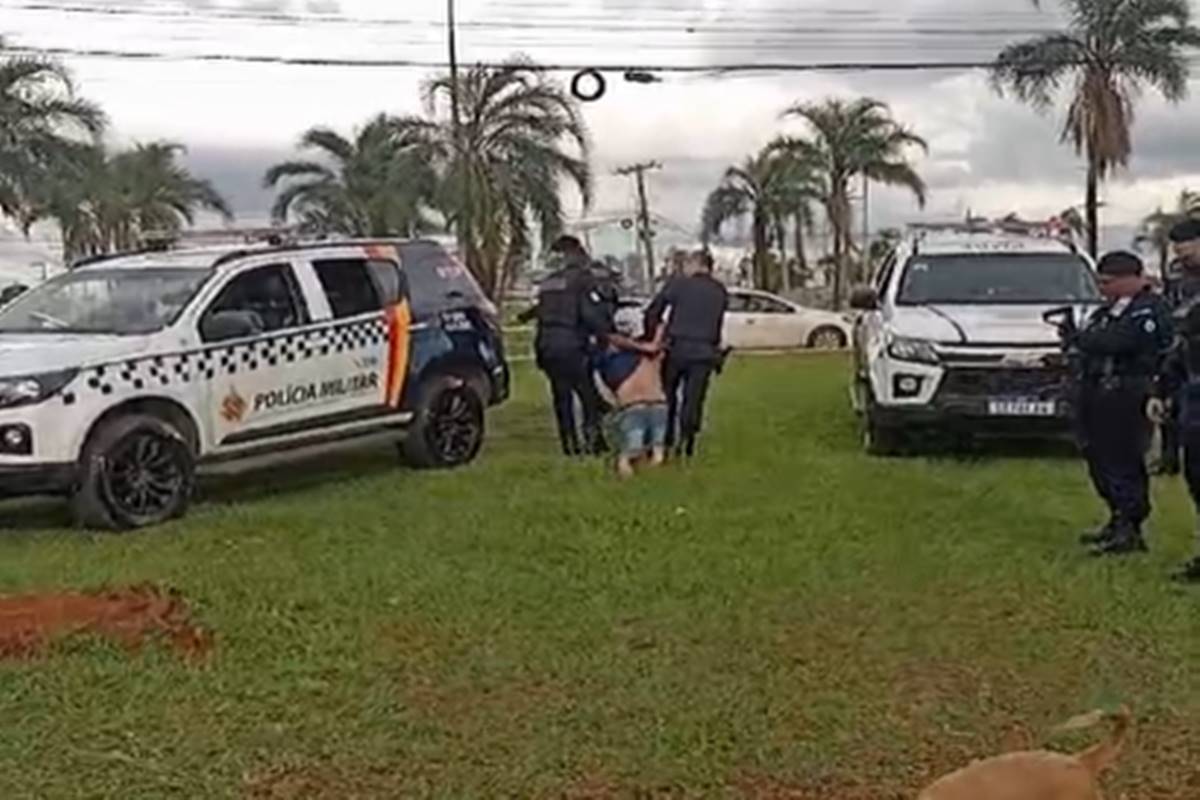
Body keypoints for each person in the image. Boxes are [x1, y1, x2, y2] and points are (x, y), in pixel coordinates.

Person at [1072, 251, 1174, 556]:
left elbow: (1120, 342)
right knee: (1097, 455)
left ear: (1133, 279)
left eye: (1109, 282)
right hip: (1097, 388)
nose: (1103, 288)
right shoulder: (1110, 310)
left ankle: (1130, 526)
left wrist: (1083, 340)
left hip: (1129, 391)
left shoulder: (1148, 310)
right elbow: (1091, 339)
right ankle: (1116, 517)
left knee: (1122, 458)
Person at [518, 235, 611, 456]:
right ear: (577, 253)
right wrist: (605, 335)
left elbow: (540, 309)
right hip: (572, 345)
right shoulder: (583, 280)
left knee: (561, 396)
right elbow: (590, 314)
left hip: (546, 345)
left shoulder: (549, 282)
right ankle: (593, 441)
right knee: (587, 396)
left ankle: (569, 445)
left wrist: (523, 317)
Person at [643, 249, 729, 457]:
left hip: (677, 349)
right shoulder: (720, 291)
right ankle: (687, 442)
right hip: (705, 351)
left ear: (696, 264)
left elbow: (653, 311)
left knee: (668, 395)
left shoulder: (679, 284)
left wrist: (653, 336)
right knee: (694, 398)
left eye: (687, 264)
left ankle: (665, 439)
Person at [1155, 219, 1200, 475]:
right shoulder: (1178, 278)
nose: (1182, 257)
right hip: (1186, 364)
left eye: (1188, 251)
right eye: (1179, 251)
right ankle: (1169, 458)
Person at [597, 324, 668, 478]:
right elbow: (658, 344)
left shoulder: (609, 361)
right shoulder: (652, 355)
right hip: (658, 404)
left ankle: (626, 468)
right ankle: (653, 469)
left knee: (631, 448)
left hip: (632, 406)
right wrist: (660, 328)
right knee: (658, 448)